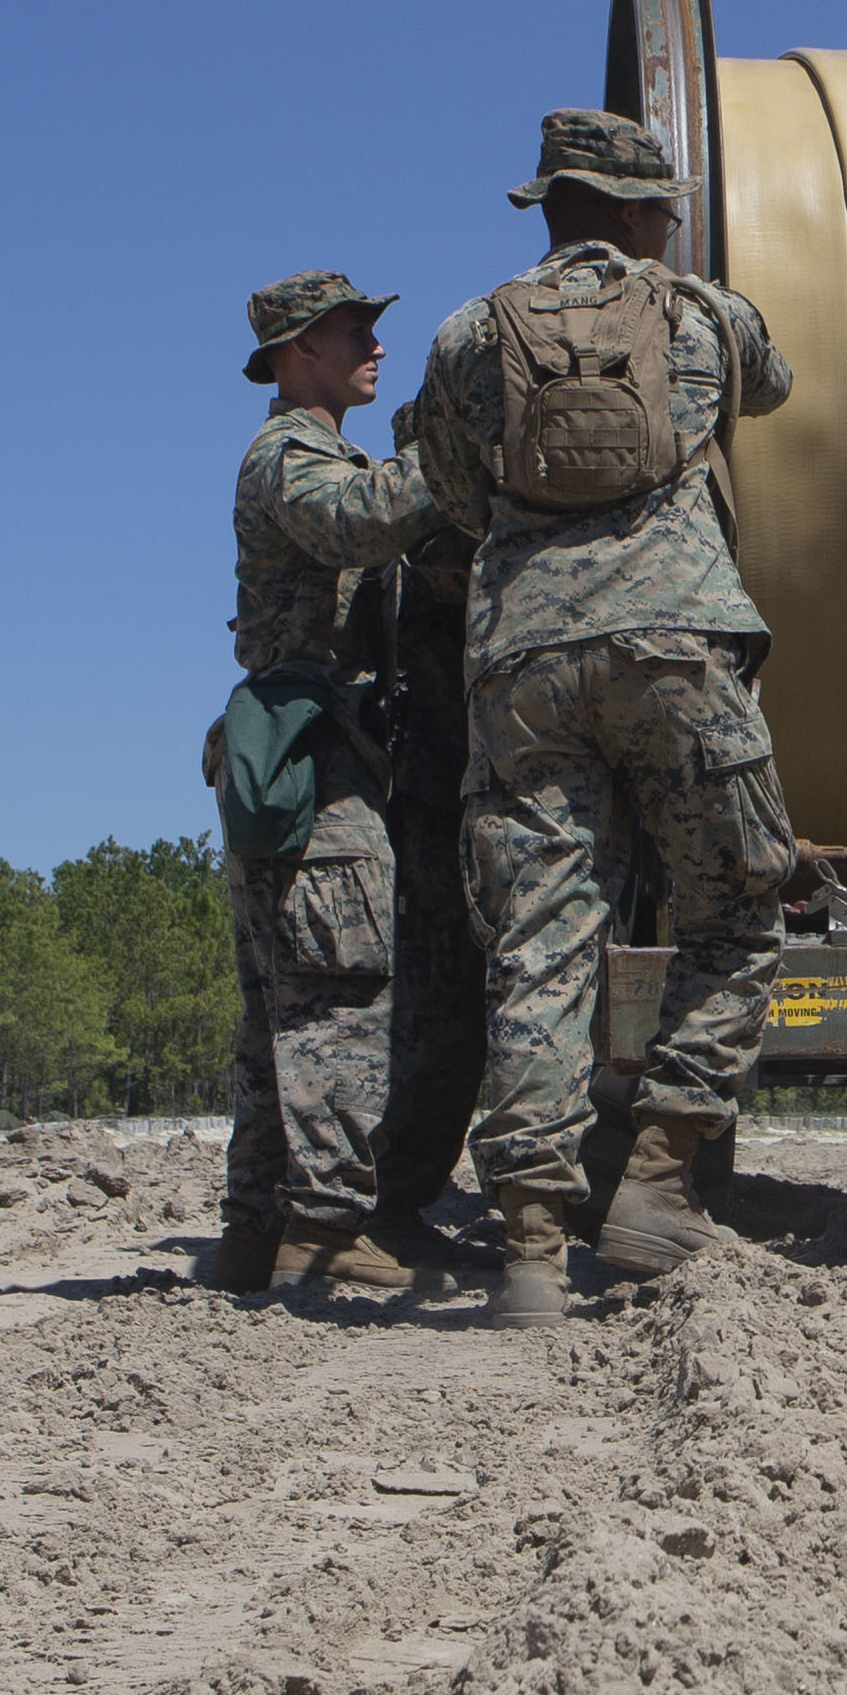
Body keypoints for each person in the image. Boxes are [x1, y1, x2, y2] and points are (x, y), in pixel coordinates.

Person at [413, 110, 798, 1324]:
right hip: (675, 645)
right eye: (662, 209)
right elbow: (774, 388)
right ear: (635, 212)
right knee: (735, 908)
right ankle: (661, 1184)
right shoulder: (704, 315)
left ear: (548, 205)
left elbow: (450, 486)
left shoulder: (469, 333)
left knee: (541, 943)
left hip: (522, 658)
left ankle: (530, 1245)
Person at [212, 272, 461, 1294]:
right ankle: (322, 1232)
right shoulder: (291, 455)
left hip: (312, 745)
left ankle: (253, 1232)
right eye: (354, 329)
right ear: (295, 350)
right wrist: (455, 450)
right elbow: (360, 522)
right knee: (336, 986)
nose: (375, 345)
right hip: (315, 752)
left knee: (280, 997)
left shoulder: (319, 447)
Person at [363, 489, 489, 1268]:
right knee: (444, 1011)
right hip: (442, 794)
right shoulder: (437, 522)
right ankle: (390, 1201)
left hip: (483, 787)